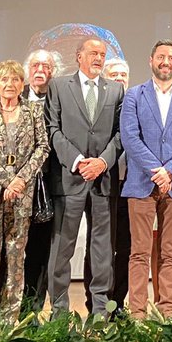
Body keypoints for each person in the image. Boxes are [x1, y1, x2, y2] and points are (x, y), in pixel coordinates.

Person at [121, 41, 172, 318]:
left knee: (170, 252)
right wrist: (157, 170)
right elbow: (130, 138)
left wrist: (170, 172)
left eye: (171, 58)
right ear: (151, 60)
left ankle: (168, 310)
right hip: (141, 183)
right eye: (161, 57)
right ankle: (138, 313)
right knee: (139, 253)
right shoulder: (134, 95)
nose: (165, 62)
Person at [45, 38, 123, 316]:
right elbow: (52, 129)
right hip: (69, 179)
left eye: (102, 54)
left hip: (102, 181)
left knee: (102, 250)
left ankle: (100, 310)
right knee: (62, 248)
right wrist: (78, 162)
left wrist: (102, 162)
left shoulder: (115, 89)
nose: (99, 58)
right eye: (93, 53)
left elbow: (120, 132)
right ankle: (59, 310)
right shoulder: (58, 86)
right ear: (79, 57)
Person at [0, 61, 50, 321]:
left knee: (16, 259)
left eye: (15, 80)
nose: (9, 84)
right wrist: (7, 180)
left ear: (22, 84)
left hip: (22, 195)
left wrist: (20, 181)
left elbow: (42, 148)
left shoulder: (33, 112)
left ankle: (9, 320)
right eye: (4, 80)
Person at [22, 49, 56, 310]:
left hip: (49, 185)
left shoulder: (61, 98)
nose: (40, 70)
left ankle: (32, 309)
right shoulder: (13, 97)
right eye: (35, 65)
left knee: (40, 250)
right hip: (15, 186)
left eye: (46, 65)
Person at [99, 56, 132, 311]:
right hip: (102, 185)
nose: (119, 78)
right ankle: (97, 303)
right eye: (114, 74)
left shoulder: (134, 103)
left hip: (129, 186)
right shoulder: (98, 104)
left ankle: (118, 303)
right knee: (100, 248)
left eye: (123, 74)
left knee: (126, 249)